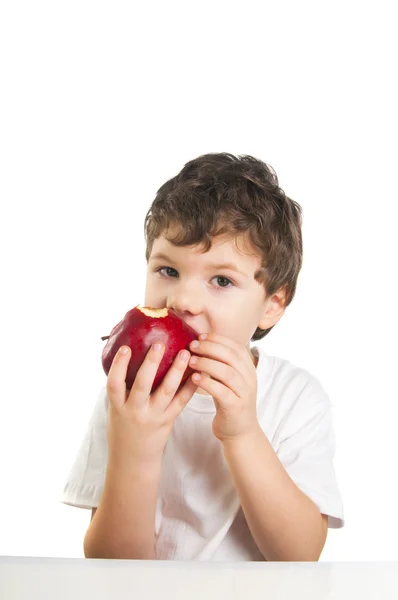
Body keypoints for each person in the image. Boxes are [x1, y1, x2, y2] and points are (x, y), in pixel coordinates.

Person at [61, 152, 344, 561]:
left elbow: (299, 556)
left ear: (272, 305)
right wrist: (134, 451)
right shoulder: (128, 396)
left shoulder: (296, 397)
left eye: (222, 280)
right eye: (168, 271)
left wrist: (243, 432)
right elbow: (111, 565)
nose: (182, 300)